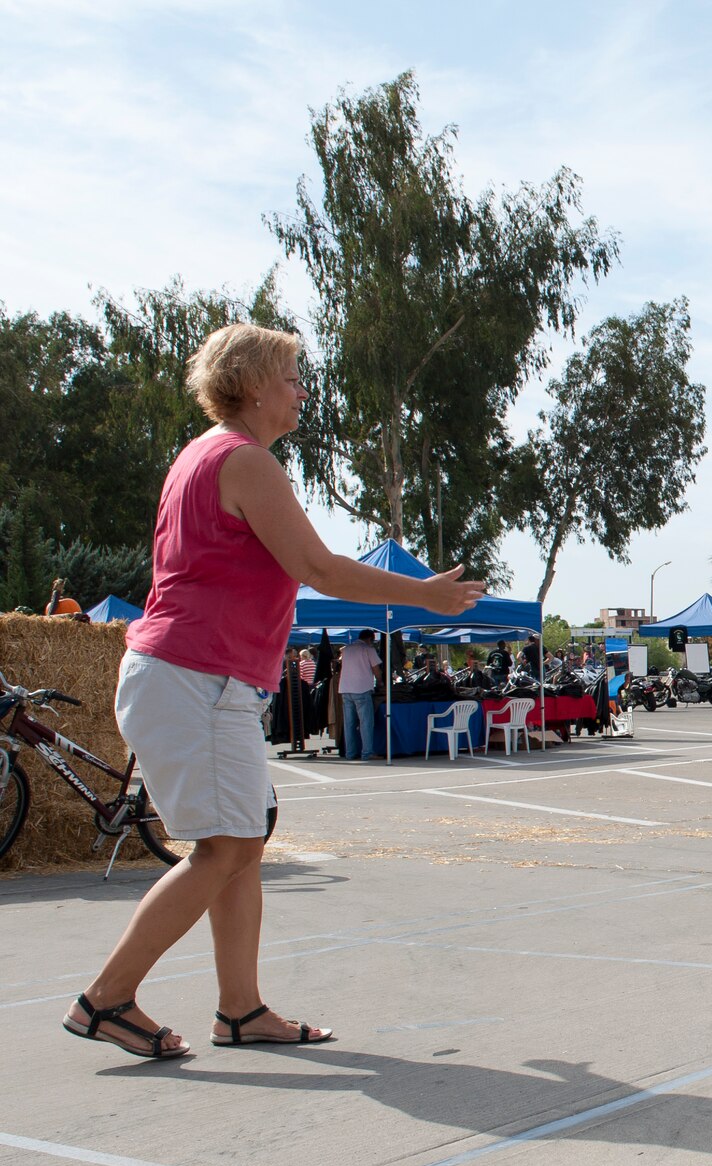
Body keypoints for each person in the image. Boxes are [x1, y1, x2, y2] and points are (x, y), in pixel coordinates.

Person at [61, 323, 481, 1060]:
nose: (301, 391)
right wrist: (423, 595)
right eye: (291, 377)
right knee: (225, 848)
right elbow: (318, 568)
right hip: (196, 679)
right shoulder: (246, 461)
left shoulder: (203, 456)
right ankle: (107, 997)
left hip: (192, 678)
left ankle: (241, 1009)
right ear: (253, 386)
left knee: (239, 845)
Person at [338, 630, 383, 760]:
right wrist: (380, 681)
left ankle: (350, 753)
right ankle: (367, 752)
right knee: (366, 723)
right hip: (362, 688)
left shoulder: (346, 649)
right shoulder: (368, 649)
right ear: (370, 639)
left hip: (345, 688)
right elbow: (376, 669)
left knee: (349, 723)